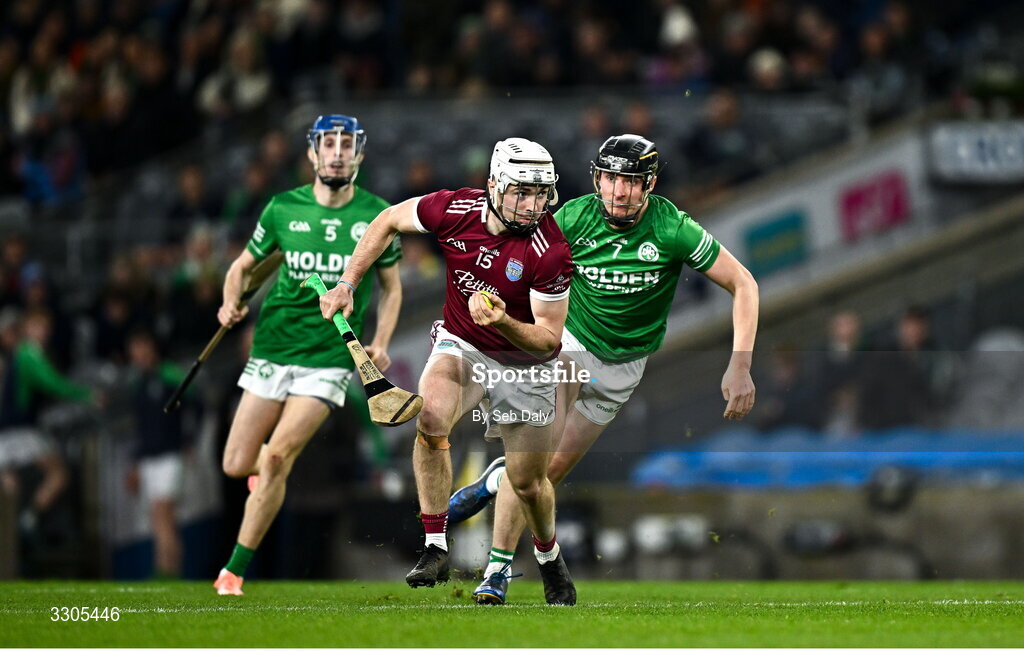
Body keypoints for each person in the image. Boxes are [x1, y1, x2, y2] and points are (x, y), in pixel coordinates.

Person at [447, 134, 759, 604]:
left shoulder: (673, 228)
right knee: (533, 460)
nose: (617, 190)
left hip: (624, 370)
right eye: (610, 178)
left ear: (650, 183)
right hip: (568, 348)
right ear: (597, 178)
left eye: (630, 181)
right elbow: (519, 256)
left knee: (544, 476)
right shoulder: (572, 217)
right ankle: (496, 572)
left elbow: (744, 284)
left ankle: (493, 479)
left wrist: (740, 366)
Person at [319, 138, 578, 605]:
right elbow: (387, 220)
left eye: (540, 194)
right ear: (494, 185)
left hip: (526, 365)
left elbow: (549, 340)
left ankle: (547, 555)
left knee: (528, 484)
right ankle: (435, 545)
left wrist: (501, 319)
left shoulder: (551, 250)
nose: (531, 204)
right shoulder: (455, 208)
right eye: (521, 191)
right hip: (463, 345)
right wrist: (347, 283)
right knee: (431, 418)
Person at [213, 115, 403, 596]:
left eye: (346, 144)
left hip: (329, 357)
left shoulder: (377, 215)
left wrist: (380, 340)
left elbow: (390, 287)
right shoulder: (282, 209)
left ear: (358, 154)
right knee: (238, 464)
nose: (337, 152)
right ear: (313, 154)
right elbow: (243, 267)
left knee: (276, 456)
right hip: (274, 347)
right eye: (328, 144)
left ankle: (232, 573)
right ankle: (267, 481)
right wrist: (230, 301)